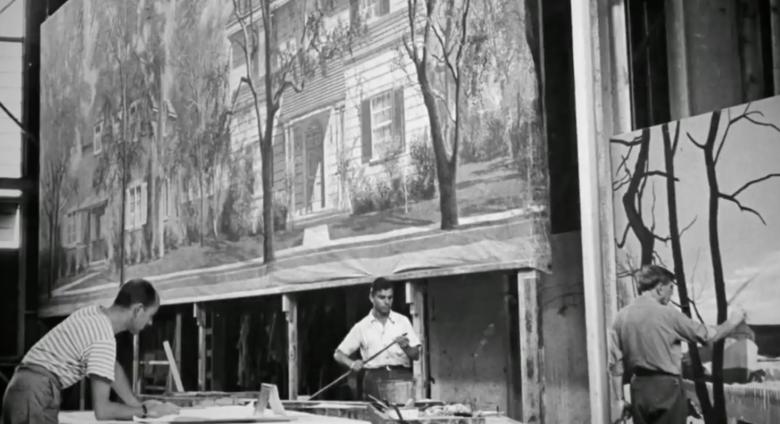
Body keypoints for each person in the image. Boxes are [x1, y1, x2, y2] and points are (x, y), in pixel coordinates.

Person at [2, 279, 180, 424]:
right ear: (138, 310)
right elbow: (102, 411)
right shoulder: (103, 338)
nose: (149, 323)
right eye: (150, 316)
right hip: (36, 394)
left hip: (24, 388)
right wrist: (147, 411)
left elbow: (112, 366)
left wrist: (137, 404)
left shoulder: (94, 313)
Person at [608, 265, 747, 424]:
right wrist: (733, 321)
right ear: (660, 288)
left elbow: (615, 366)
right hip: (667, 390)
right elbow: (709, 336)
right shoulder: (668, 314)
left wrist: (619, 400)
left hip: (639, 389)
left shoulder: (621, 317)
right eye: (670, 288)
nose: (671, 293)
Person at [334, 277, 421, 401]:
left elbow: (416, 355)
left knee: (402, 418)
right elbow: (338, 354)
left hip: (401, 379)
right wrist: (352, 364)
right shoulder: (362, 326)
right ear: (371, 297)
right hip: (373, 381)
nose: (387, 302)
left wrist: (406, 346)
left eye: (390, 297)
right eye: (382, 297)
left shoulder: (402, 321)